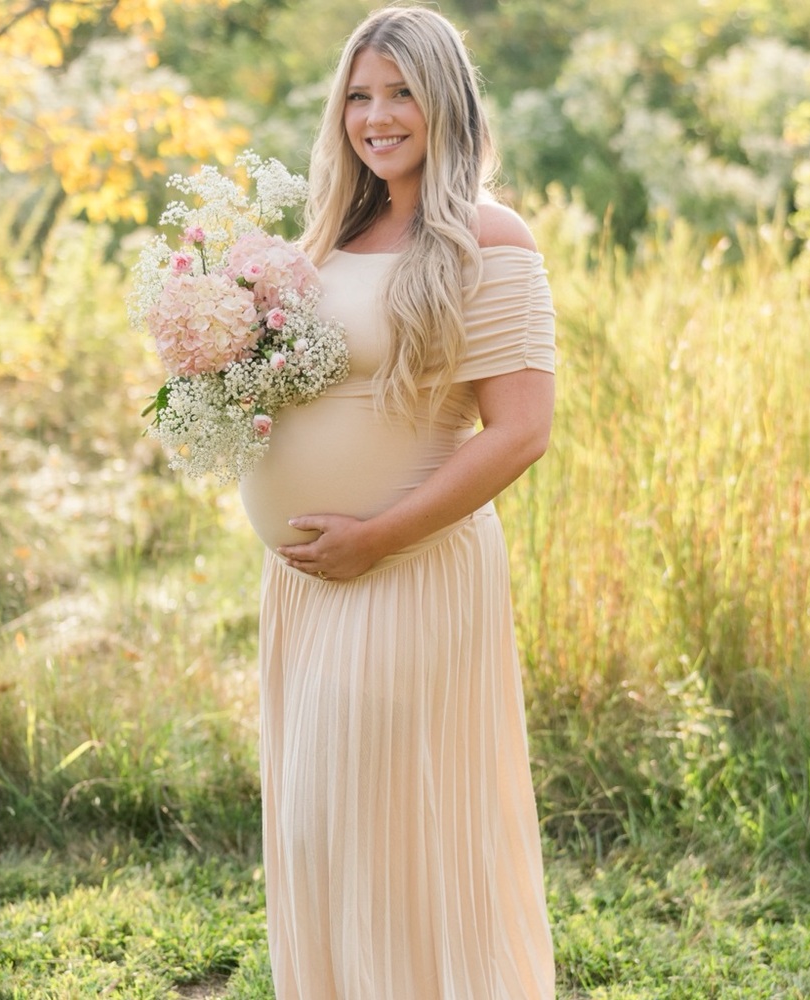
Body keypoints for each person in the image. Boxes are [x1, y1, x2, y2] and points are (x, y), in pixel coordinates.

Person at [238, 5, 556, 997]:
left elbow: (519, 429)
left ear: (444, 101)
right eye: (359, 95)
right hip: (308, 583)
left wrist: (376, 536)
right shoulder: (332, 233)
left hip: (407, 569)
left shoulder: (485, 237)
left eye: (400, 92)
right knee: (319, 825)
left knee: (387, 817)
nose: (376, 115)